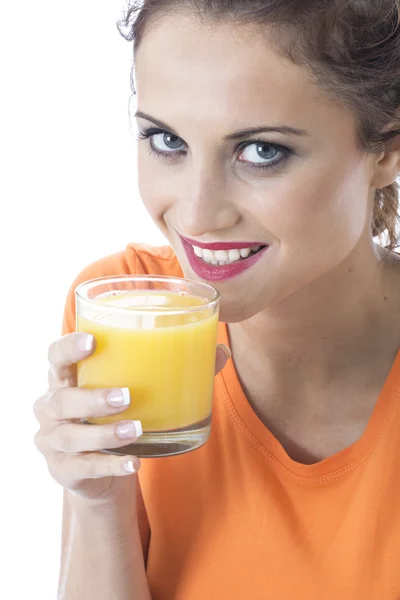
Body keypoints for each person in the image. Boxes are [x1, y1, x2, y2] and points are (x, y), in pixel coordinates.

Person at [33, 1, 400, 598]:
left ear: (385, 149)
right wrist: (100, 502)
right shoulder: (123, 307)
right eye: (166, 139)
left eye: (262, 151)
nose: (197, 214)